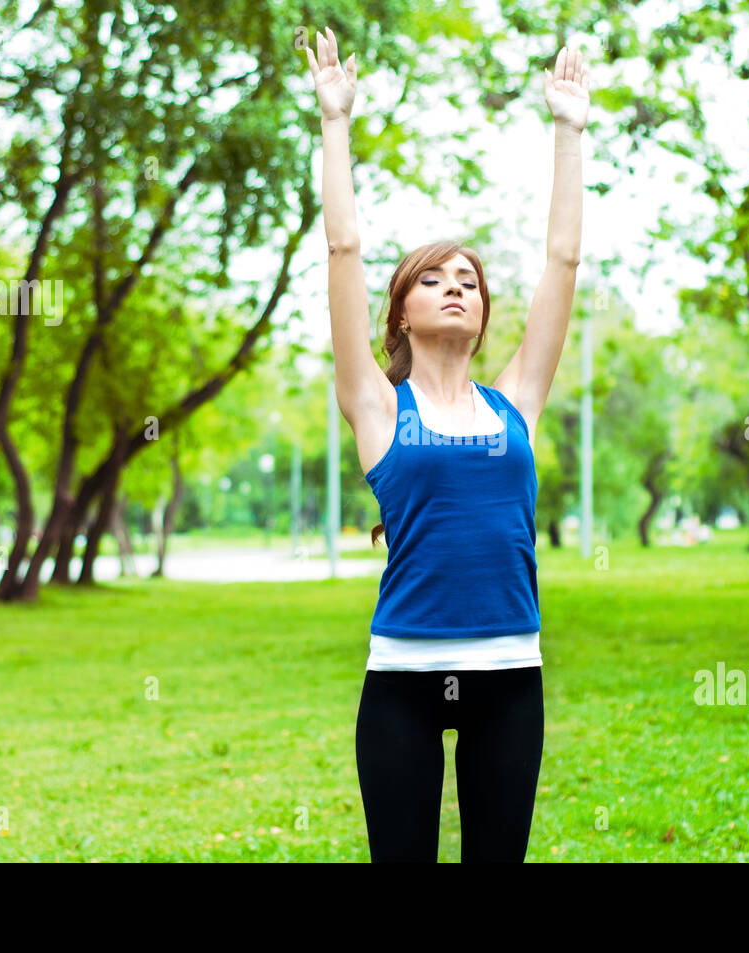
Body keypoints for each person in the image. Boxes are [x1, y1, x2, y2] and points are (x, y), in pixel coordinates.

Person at [306, 26, 589, 862]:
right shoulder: (375, 407)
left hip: (511, 674)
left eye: (467, 279)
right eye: (433, 279)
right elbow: (344, 247)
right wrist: (334, 125)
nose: (455, 287)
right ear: (402, 313)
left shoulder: (516, 406)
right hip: (400, 678)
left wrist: (568, 133)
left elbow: (562, 260)